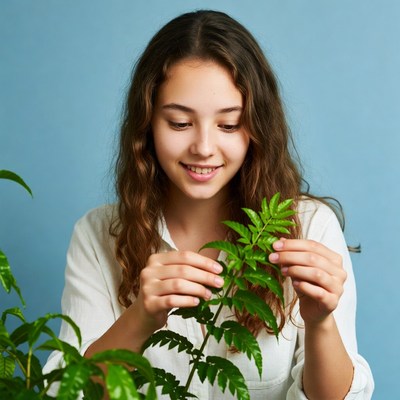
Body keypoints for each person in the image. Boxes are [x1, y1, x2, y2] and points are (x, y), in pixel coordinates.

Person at [44, 10, 374, 399]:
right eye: (180, 123)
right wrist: (141, 317)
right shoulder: (98, 236)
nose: (203, 148)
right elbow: (67, 392)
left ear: (257, 127)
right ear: (147, 124)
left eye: (229, 125)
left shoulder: (309, 226)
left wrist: (320, 322)